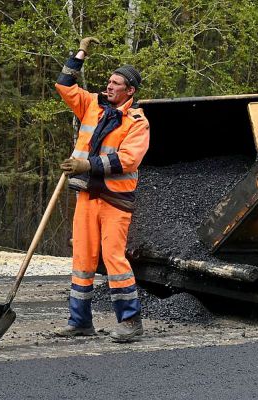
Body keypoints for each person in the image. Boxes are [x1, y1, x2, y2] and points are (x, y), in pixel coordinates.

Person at [54, 37, 150, 342]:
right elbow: (64, 85)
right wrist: (80, 52)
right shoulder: (92, 105)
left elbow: (128, 159)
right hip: (87, 196)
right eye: (108, 81)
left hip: (115, 200)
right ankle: (80, 321)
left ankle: (131, 321)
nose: (108, 86)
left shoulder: (137, 122)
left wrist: (88, 165)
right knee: (82, 258)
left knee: (113, 259)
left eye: (116, 83)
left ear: (129, 91)